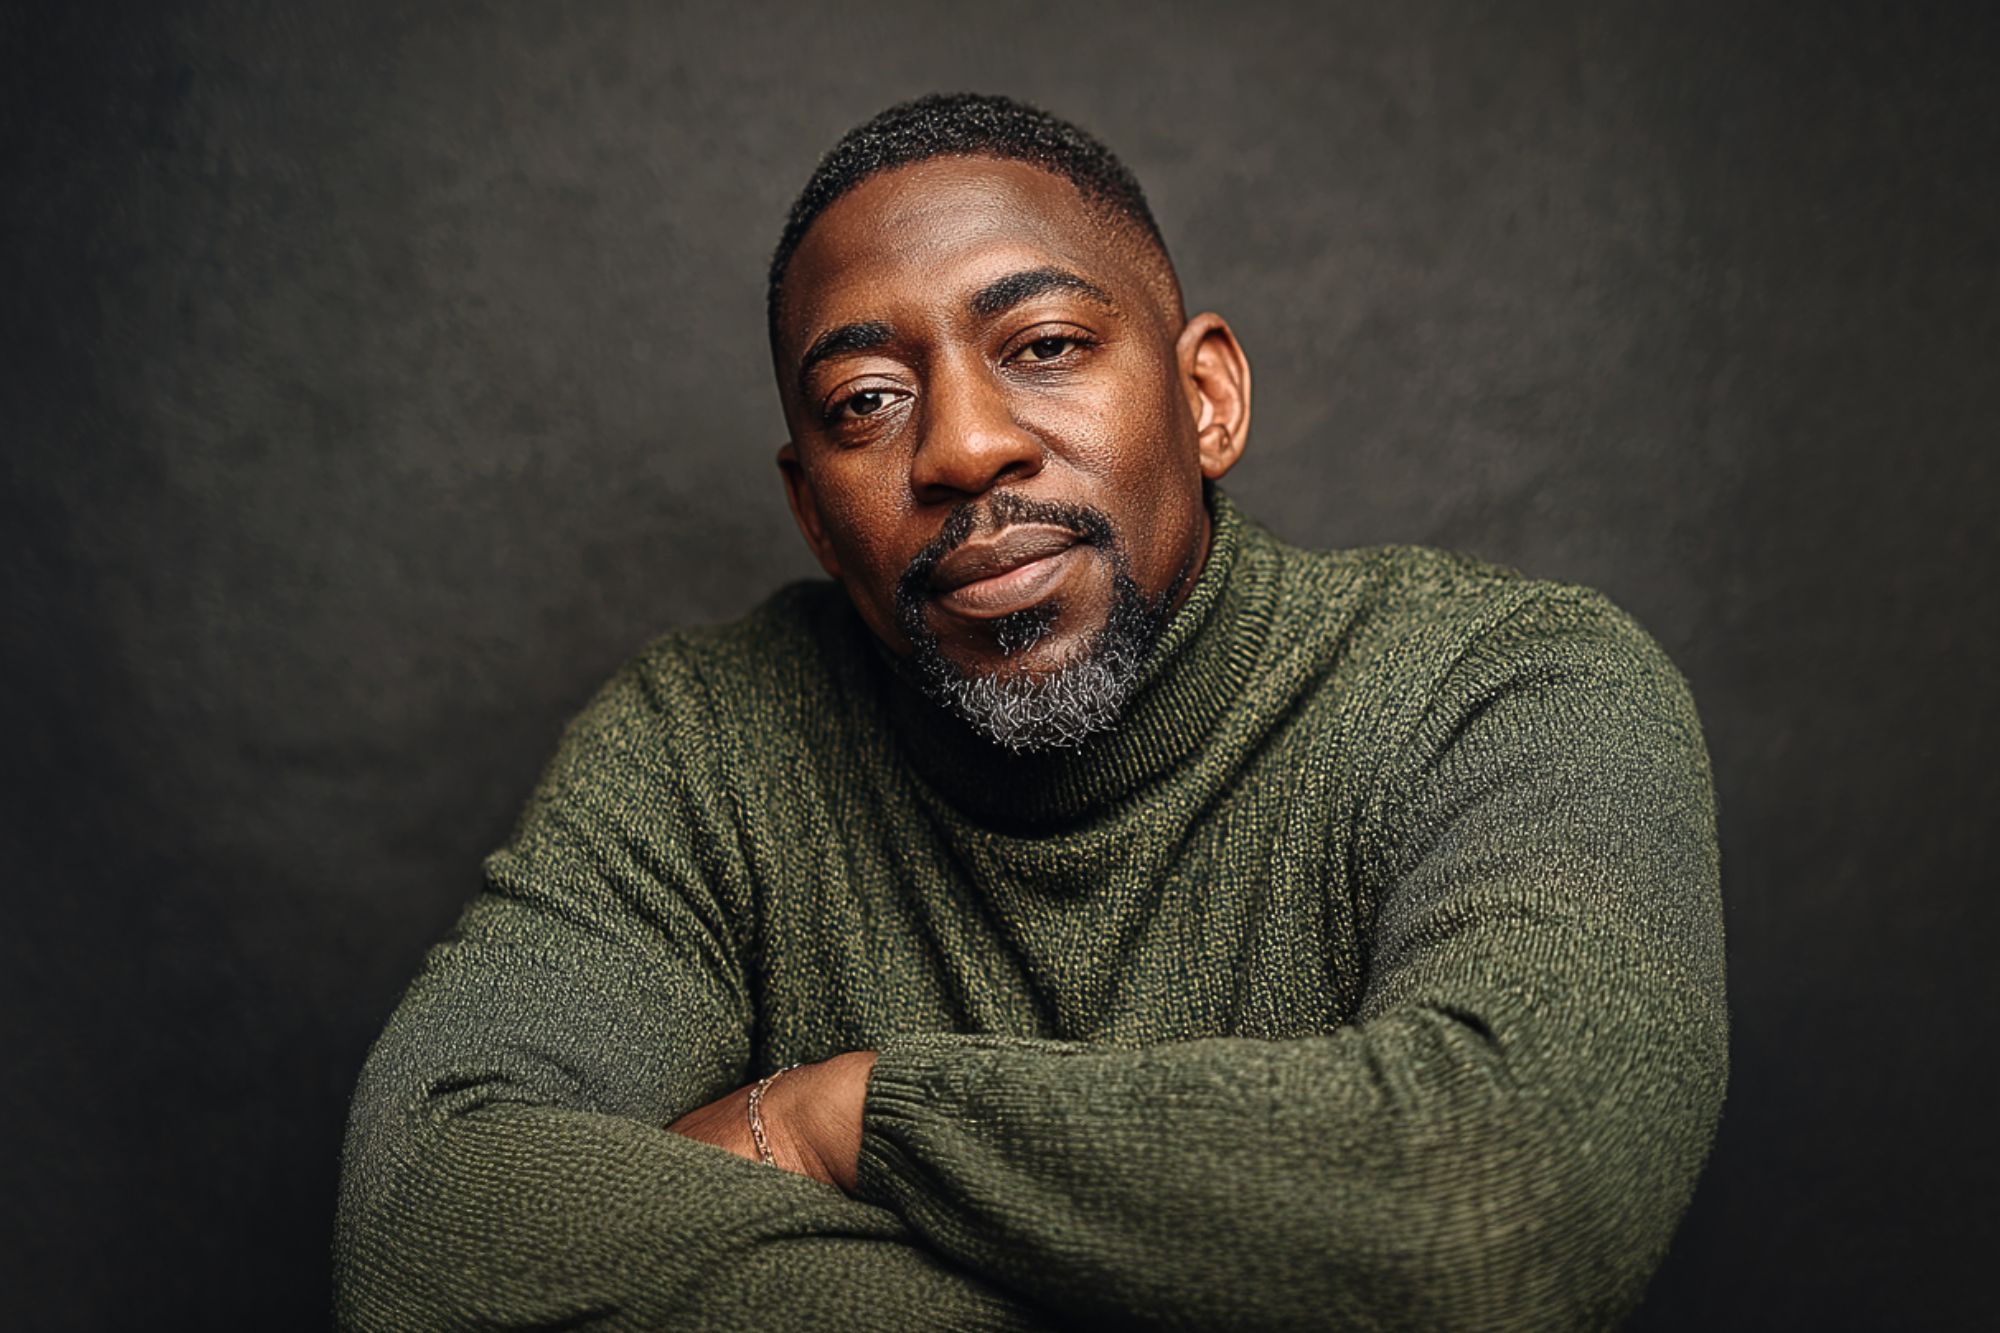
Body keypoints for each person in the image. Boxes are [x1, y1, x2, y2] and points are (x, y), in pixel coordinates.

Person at [334, 93, 1726, 1331]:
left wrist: (844, 1119)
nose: (963, 446)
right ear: (812, 508)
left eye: (1046, 343)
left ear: (1206, 398)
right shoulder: (701, 745)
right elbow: (428, 1227)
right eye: (867, 401)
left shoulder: (1503, 689)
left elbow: (1503, 1203)